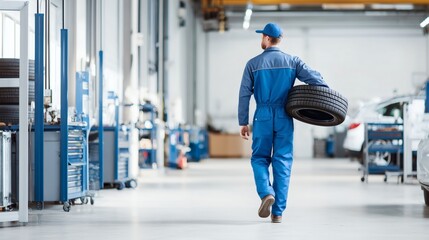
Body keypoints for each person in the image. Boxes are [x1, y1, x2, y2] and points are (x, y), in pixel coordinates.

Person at [238, 23, 328, 223]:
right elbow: (316, 80)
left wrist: (243, 121)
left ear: (267, 38)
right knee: (283, 161)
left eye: (262, 36)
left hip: (262, 115)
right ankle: (277, 212)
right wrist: (327, 102)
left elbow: (244, 94)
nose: (261, 39)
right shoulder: (293, 61)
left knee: (259, 157)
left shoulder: (252, 64)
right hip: (284, 116)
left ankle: (265, 193)